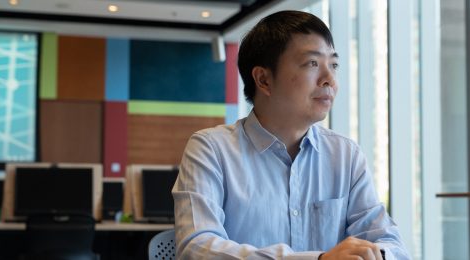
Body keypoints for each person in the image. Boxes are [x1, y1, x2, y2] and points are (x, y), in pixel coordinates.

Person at [172, 10, 410, 260]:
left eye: (334, 64)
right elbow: (196, 247)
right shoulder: (211, 149)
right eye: (313, 63)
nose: (330, 79)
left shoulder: (345, 155)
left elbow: (391, 244)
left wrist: (375, 255)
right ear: (263, 80)